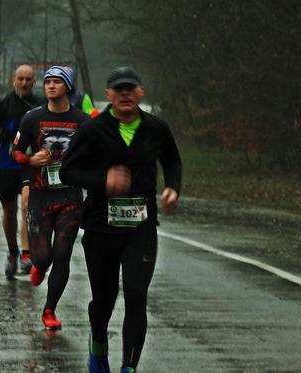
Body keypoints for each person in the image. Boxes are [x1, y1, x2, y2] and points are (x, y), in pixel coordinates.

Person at [60, 67, 182, 373]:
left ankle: (129, 367)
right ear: (109, 95)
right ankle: (98, 343)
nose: (125, 94)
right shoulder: (92, 130)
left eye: (131, 89)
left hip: (140, 227)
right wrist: (103, 180)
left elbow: (171, 159)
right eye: (119, 89)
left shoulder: (156, 128)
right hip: (102, 227)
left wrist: (172, 187)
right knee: (104, 299)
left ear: (140, 93)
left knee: (137, 293)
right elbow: (67, 171)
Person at [11, 66, 89, 330]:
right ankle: (40, 266)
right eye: (47, 82)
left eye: (57, 82)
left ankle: (49, 310)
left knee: (63, 254)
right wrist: (31, 159)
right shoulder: (32, 118)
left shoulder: (82, 121)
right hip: (40, 196)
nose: (51, 86)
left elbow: (95, 154)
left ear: (67, 87)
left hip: (69, 196)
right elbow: (15, 151)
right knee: (43, 257)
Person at [0, 64, 45, 278]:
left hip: (30, 165)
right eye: (20, 79)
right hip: (7, 166)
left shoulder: (40, 104)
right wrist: (9, 135)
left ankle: (26, 254)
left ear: (34, 82)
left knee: (27, 204)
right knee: (10, 212)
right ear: (13, 80)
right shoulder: (2, 104)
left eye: (28, 79)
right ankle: (13, 252)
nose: (24, 83)